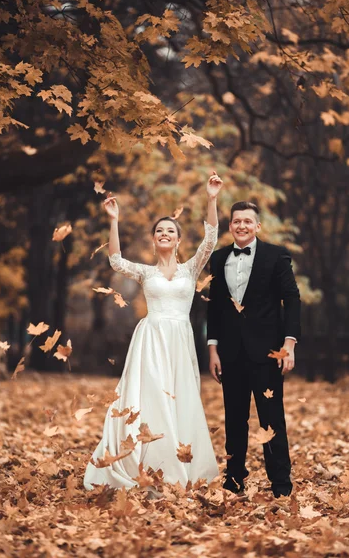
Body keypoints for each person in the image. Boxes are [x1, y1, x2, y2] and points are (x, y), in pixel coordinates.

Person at [84, 172, 223, 492]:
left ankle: (178, 462)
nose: (164, 233)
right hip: (151, 339)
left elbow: (212, 239)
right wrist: (114, 219)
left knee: (180, 398)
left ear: (177, 240)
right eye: (159, 230)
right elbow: (116, 261)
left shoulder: (191, 268)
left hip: (180, 339)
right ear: (154, 239)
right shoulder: (146, 272)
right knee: (153, 398)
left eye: (170, 231)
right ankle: (143, 463)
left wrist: (212, 199)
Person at [207, 201, 301, 498]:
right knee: (234, 419)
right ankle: (234, 480)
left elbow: (293, 300)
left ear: (257, 226)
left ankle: (281, 485)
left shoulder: (276, 256)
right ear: (231, 226)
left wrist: (289, 343)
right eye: (237, 222)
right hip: (231, 354)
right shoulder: (219, 257)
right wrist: (213, 349)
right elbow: (215, 309)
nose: (242, 226)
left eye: (248, 221)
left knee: (271, 418)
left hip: (268, 354)